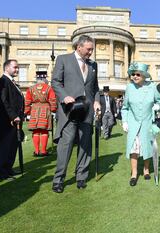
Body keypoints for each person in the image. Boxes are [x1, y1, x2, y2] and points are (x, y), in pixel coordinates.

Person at [51, 35, 100, 193]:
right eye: (88, 49)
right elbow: (55, 82)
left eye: (92, 49)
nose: (91, 52)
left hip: (87, 112)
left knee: (85, 145)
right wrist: (64, 96)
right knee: (66, 145)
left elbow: (95, 88)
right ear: (79, 47)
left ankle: (81, 177)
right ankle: (58, 179)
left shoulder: (93, 65)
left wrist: (97, 101)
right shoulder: (63, 59)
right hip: (70, 111)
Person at [121, 62, 160, 186]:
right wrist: (124, 121)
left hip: (147, 123)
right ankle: (134, 173)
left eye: (137, 74)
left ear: (143, 75)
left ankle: (146, 169)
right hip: (133, 123)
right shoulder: (129, 88)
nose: (134, 76)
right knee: (134, 149)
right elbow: (125, 107)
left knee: (147, 147)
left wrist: (157, 106)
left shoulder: (152, 86)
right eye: (132, 74)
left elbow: (159, 101)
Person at [0, 59, 25, 180]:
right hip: (6, 121)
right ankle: (1, 173)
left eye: (18, 68)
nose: (17, 70)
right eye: (15, 67)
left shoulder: (12, 82)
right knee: (5, 147)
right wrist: (12, 116)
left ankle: (8, 169)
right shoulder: (2, 81)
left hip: (15, 120)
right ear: (6, 68)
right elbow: (3, 101)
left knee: (12, 146)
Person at [24, 71, 57, 157]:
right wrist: (53, 110)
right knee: (44, 130)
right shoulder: (49, 88)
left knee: (36, 131)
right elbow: (52, 100)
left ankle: (36, 151)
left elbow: (27, 102)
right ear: (45, 78)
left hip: (34, 110)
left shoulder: (30, 89)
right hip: (45, 110)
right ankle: (43, 151)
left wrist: (27, 111)